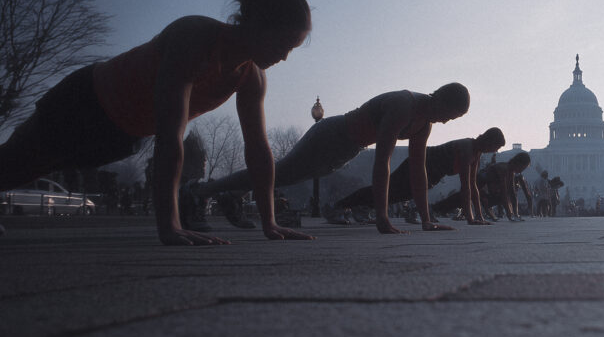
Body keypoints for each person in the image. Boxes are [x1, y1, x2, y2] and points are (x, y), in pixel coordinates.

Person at [0, 0, 313, 245]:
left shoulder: (252, 78)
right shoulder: (194, 36)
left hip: (121, 134)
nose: (284, 57)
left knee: (33, 169)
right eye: (281, 43)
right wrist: (169, 226)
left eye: (292, 49)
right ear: (257, 23)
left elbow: (258, 150)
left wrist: (269, 222)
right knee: (15, 160)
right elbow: (170, 134)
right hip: (83, 101)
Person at [185, 83, 471, 234]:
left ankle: (231, 193)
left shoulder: (426, 123)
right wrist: (382, 217)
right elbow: (382, 161)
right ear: (440, 100)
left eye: (453, 120)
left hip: (347, 148)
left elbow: (417, 171)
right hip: (331, 134)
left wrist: (425, 220)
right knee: (278, 171)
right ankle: (201, 191)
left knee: (281, 176)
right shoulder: (404, 105)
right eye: (450, 115)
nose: (447, 122)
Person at [333, 127, 505, 225]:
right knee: (389, 189)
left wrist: (479, 217)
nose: (494, 152)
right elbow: (466, 186)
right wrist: (471, 218)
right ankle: (340, 206)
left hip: (432, 172)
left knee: (397, 194)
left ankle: (361, 207)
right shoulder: (468, 148)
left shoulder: (477, 153)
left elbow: (473, 185)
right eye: (495, 147)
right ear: (487, 141)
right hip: (419, 163)